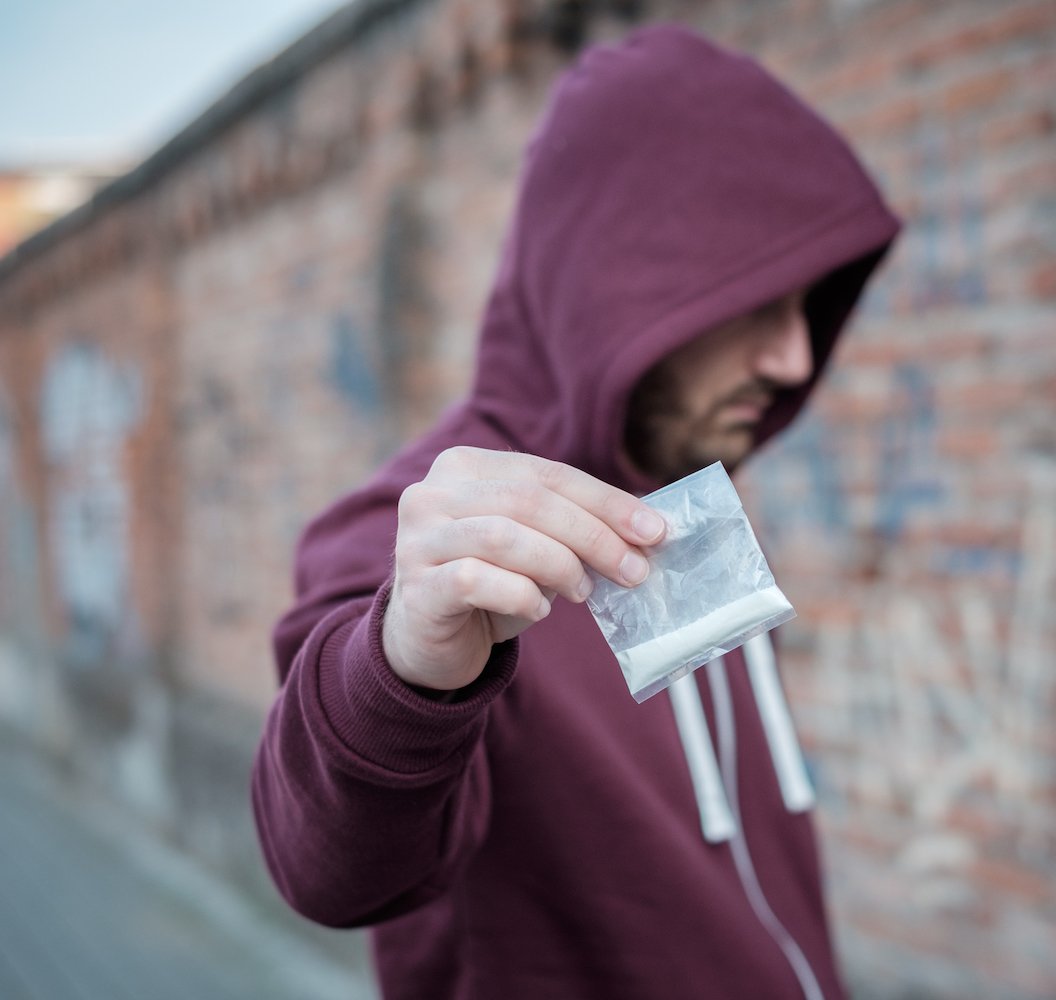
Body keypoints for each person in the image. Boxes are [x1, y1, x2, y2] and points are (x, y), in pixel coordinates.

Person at [252, 23, 900, 1000]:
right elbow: (327, 868)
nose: (795, 360)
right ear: (627, 284)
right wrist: (401, 669)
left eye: (809, 308)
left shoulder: (680, 494)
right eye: (757, 302)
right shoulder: (424, 545)